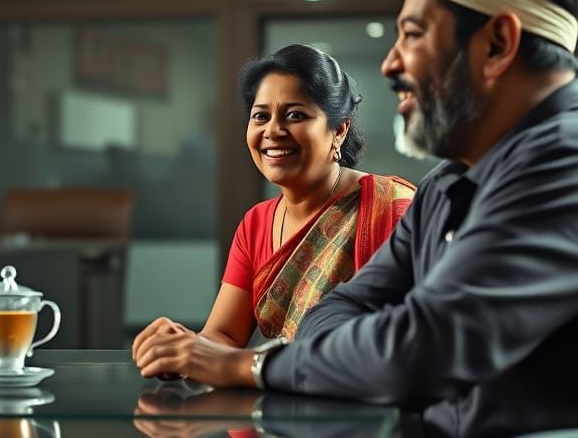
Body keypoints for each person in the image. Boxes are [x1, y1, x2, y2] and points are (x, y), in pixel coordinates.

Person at [133, 0, 578, 437]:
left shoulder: (563, 163)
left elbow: (419, 349)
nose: (391, 63)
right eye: (260, 116)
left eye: (413, 34)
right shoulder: (445, 185)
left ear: (497, 44)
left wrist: (251, 365)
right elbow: (341, 309)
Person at [133, 45, 415, 354]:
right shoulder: (256, 224)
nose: (273, 130)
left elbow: (418, 337)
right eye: (261, 116)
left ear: (339, 130)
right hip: (283, 382)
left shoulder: (392, 209)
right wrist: (185, 344)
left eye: (295, 115)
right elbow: (224, 334)